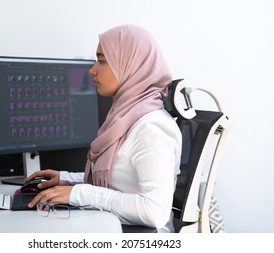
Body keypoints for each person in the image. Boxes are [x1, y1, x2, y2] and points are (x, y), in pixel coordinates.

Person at [26, 24, 182, 232]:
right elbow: (121, 180)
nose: (92, 70)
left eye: (101, 60)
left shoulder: (151, 129)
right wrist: (68, 179)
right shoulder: (126, 115)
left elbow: (154, 211)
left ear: (129, 64)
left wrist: (80, 193)